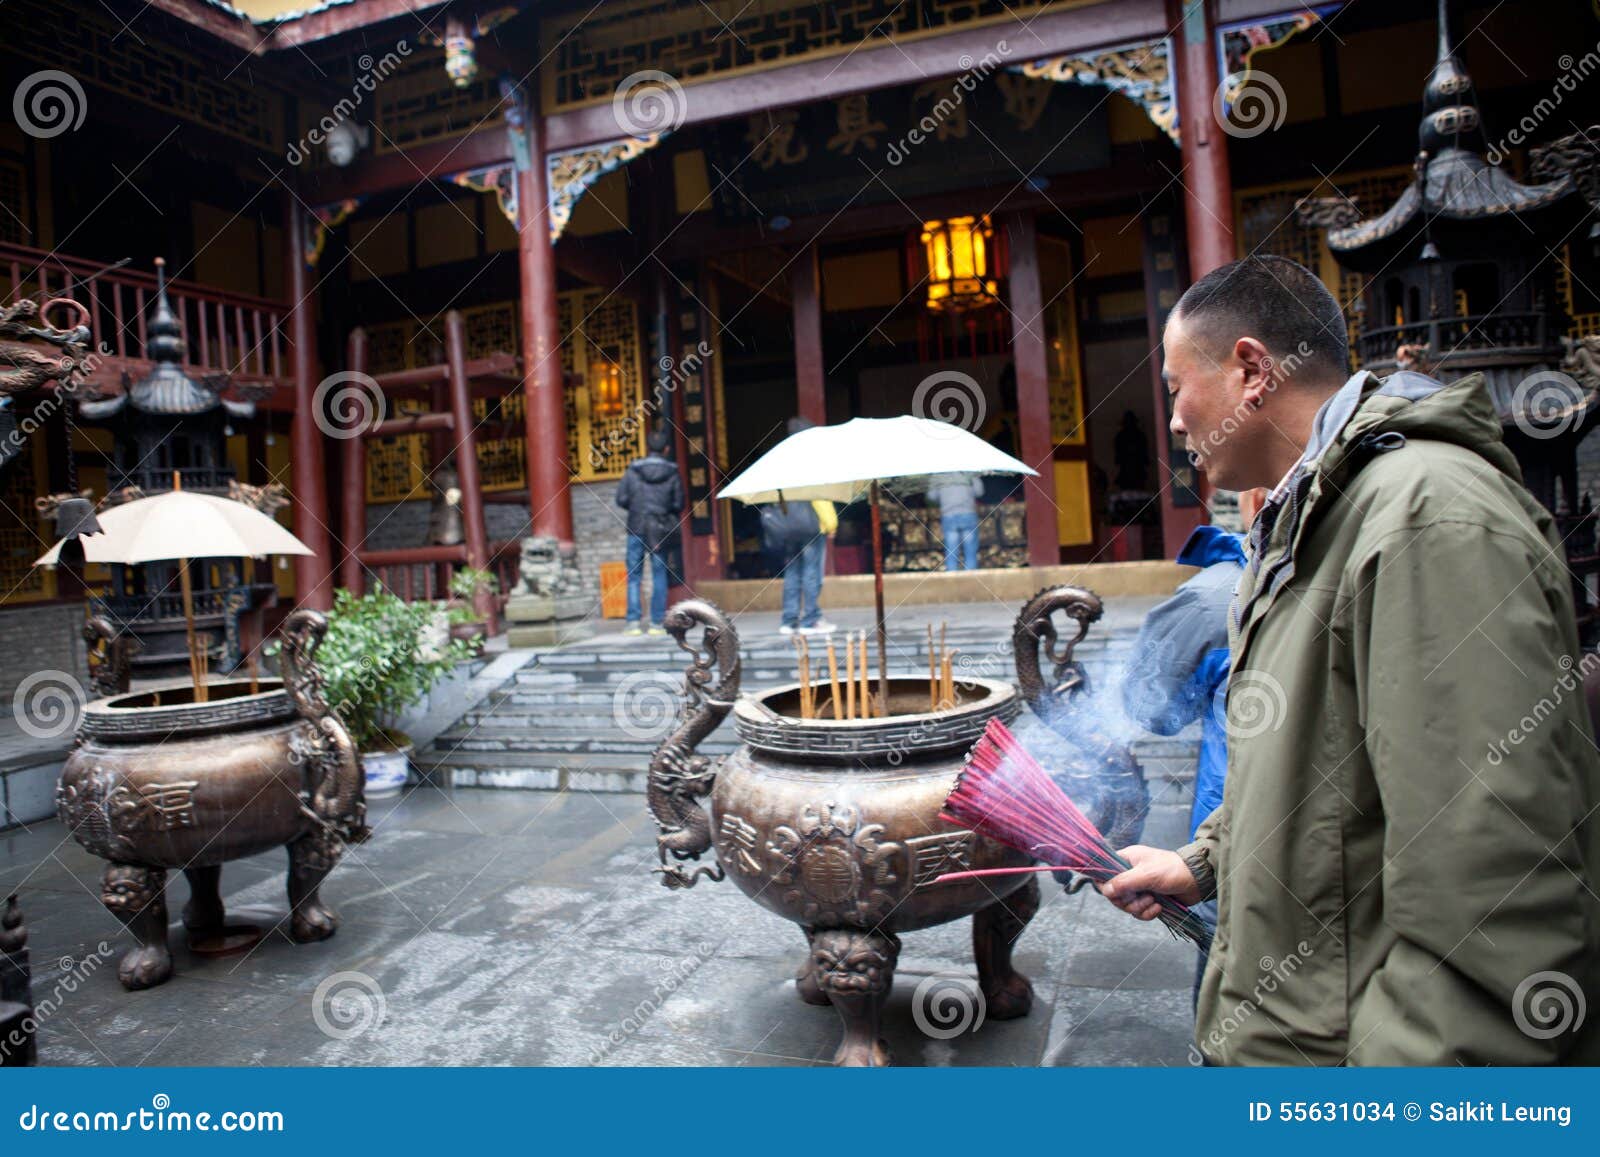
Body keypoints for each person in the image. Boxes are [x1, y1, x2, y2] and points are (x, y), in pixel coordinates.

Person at [1099, 255, 1600, 1064]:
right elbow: (1323, 768)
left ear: (1252, 370)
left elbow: (1491, 885)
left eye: (1174, 390)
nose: (1175, 423)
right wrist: (1204, 860)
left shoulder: (1425, 520)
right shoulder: (1314, 513)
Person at [1120, 523, 1246, 1003]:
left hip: (1239, 837)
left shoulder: (1214, 595)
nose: (1182, 440)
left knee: (1230, 1000)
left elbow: (1152, 707)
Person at [615, 426, 683, 636]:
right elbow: (679, 503)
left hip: (636, 526)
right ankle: (656, 623)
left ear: (647, 448)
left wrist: (637, 509)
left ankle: (633, 623)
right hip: (660, 529)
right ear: (666, 449)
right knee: (659, 574)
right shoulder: (672, 473)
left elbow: (621, 499)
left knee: (634, 576)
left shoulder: (632, 471)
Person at [926, 472, 984, 571]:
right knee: (970, 551)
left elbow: (931, 496)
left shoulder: (939, 475)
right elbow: (979, 491)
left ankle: (951, 580)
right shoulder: (968, 473)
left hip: (948, 514)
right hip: (968, 513)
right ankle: (971, 579)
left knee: (951, 551)